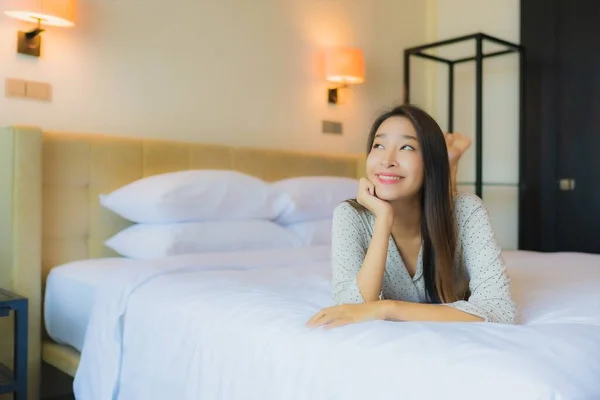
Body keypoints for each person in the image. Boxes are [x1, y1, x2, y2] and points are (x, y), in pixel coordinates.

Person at [307, 104, 516, 329]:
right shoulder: (349, 215)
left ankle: (450, 165)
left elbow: (500, 309)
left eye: (406, 147)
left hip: (440, 205)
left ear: (430, 162)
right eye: (378, 145)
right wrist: (383, 219)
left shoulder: (467, 210)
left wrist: (388, 308)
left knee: (445, 207)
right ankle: (450, 164)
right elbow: (351, 308)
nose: (387, 160)